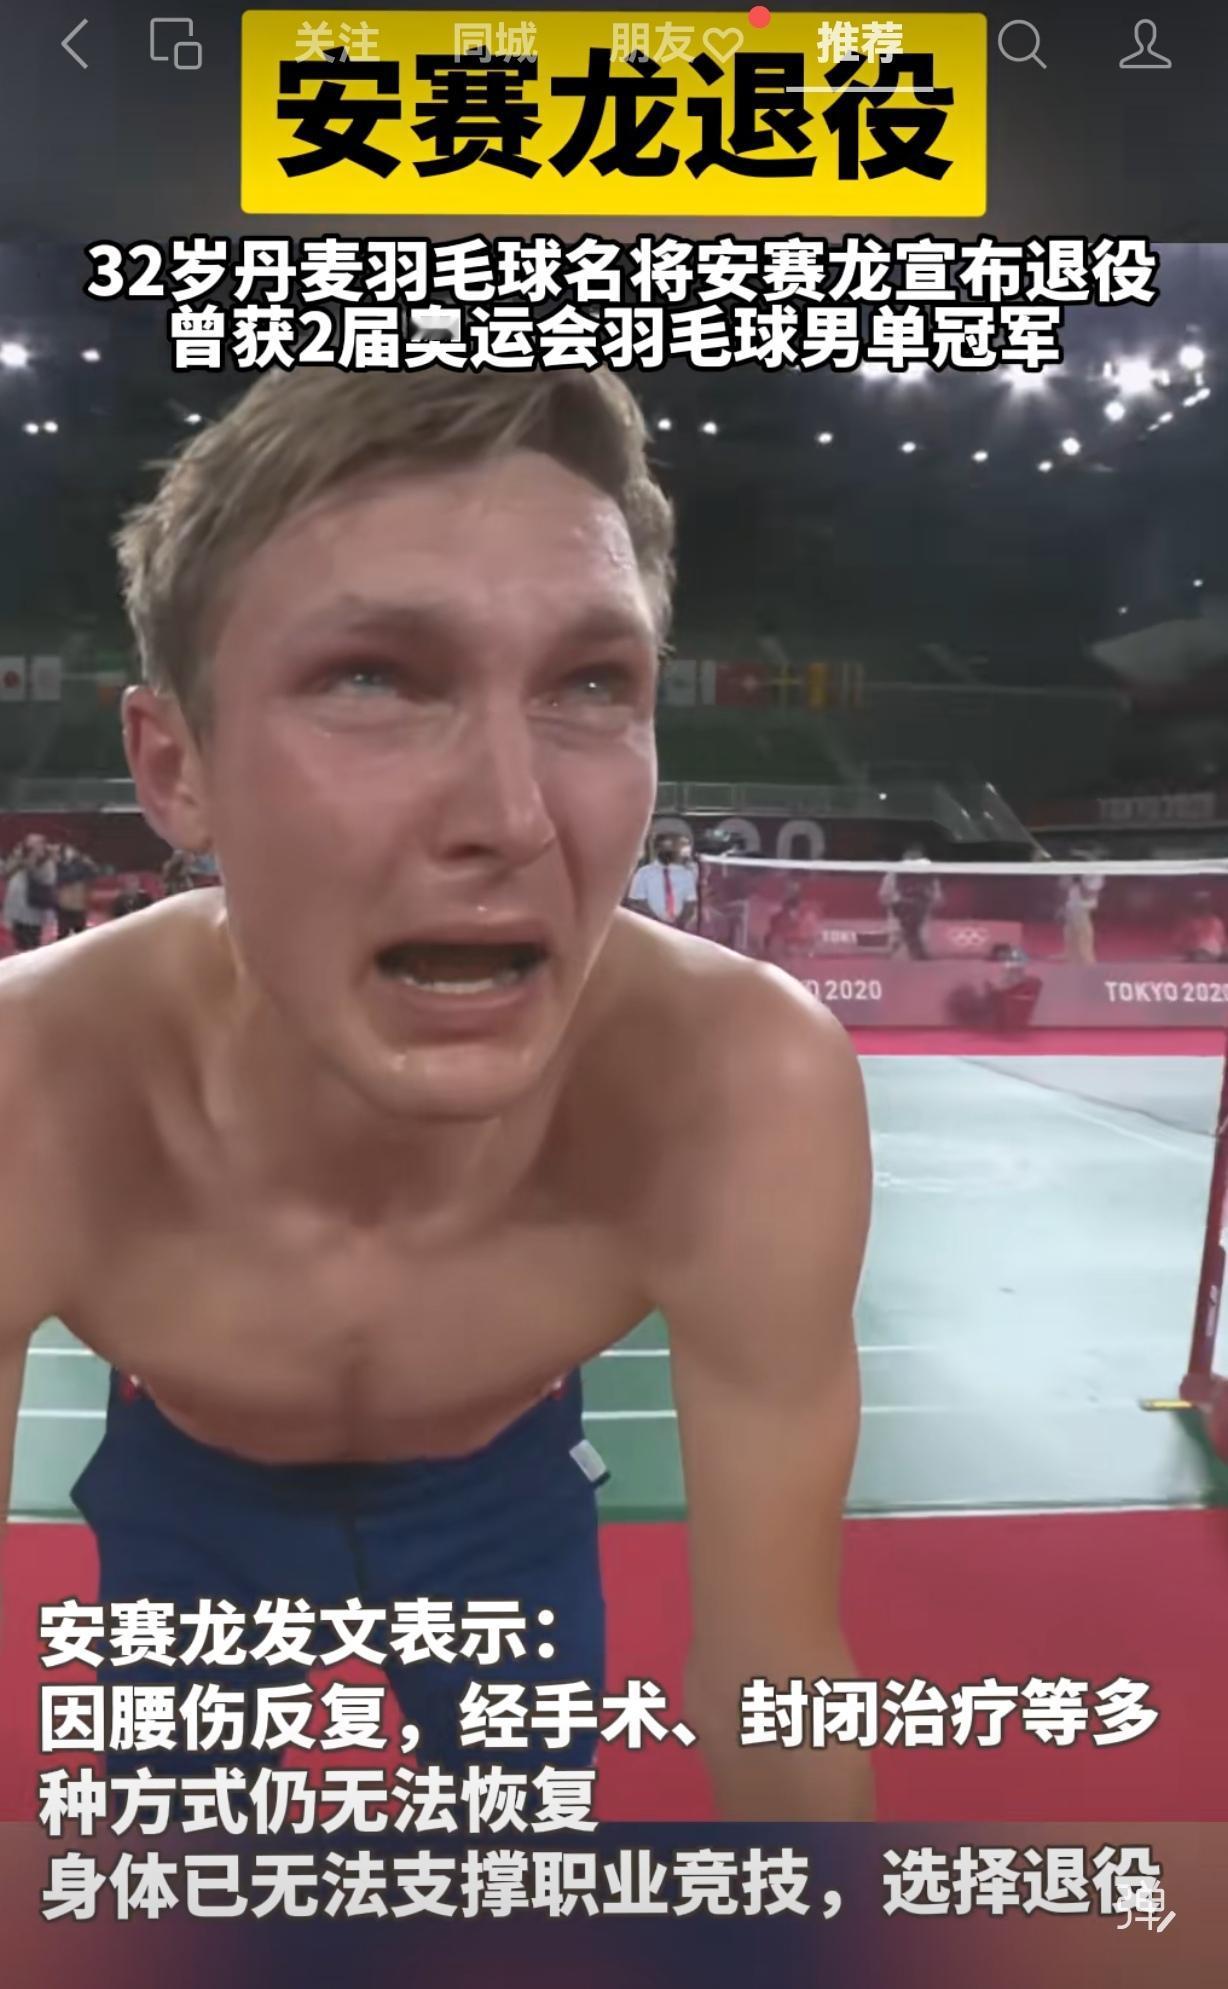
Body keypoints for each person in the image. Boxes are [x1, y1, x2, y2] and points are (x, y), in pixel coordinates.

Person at [0, 367, 872, 1823]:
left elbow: (777, 1668)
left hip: (501, 1489)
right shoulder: (31, 1089)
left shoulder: (739, 1088)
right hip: (189, 1487)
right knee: (179, 1869)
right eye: (373, 678)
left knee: (519, 1864)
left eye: (591, 685)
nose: (512, 818)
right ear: (175, 766)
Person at [879, 844, 942, 960]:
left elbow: (933, 885)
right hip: (901, 903)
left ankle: (913, 952)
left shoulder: (927, 869)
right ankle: (899, 951)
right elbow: (887, 887)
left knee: (915, 930)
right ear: (906, 855)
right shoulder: (896, 870)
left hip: (920, 904)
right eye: (911, 854)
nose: (913, 856)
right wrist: (890, 899)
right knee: (902, 929)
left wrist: (935, 897)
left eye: (916, 854)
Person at [628, 830, 699, 931]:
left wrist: (679, 924)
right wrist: (656, 921)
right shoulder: (644, 873)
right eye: (666, 848)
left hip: (678, 928)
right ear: (657, 849)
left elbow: (690, 903)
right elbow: (637, 901)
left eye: (674, 849)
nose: (671, 852)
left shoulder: (686, 874)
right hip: (650, 927)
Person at [54, 842, 99, 939]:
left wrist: (88, 865)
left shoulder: (82, 865)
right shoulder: (59, 866)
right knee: (63, 935)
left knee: (80, 936)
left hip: (79, 906)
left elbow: (92, 874)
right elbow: (64, 878)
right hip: (64, 906)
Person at [2, 851, 43, 953]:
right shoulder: (16, 876)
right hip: (21, 916)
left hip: (31, 915)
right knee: (22, 942)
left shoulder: (37, 873)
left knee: (30, 941)